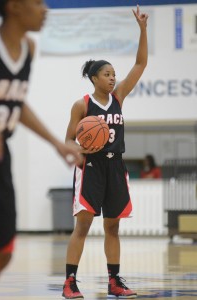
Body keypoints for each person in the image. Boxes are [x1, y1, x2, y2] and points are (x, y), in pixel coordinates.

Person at [62, 5, 148, 299]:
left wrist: (143, 30)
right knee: (83, 226)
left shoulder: (119, 97)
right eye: (107, 74)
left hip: (115, 167)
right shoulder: (82, 105)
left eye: (114, 74)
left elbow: (140, 65)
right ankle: (70, 281)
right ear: (94, 78)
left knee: (113, 227)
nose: (113, 78)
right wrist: (82, 148)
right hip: (91, 168)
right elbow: (68, 143)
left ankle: (114, 281)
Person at [0, 0, 82, 275]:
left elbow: (17, 103)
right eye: (37, 2)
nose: (46, 8)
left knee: (4, 250)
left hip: (2, 156)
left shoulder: (29, 49)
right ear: (14, 6)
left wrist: (57, 143)